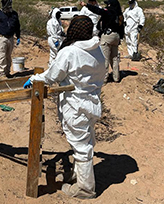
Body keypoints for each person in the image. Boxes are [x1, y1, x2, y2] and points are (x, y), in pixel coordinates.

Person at [24, 16, 106, 199]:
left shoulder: (70, 52)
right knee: (85, 141)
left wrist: (34, 79)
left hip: (75, 105)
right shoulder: (97, 50)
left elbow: (52, 75)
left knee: (80, 145)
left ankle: (85, 189)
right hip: (92, 102)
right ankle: (79, 176)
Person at [81, 0, 124, 83]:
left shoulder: (109, 11)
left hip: (107, 36)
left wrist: (87, 5)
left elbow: (98, 11)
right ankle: (116, 77)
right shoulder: (119, 14)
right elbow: (122, 27)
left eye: (108, 4)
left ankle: (104, 78)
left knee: (105, 58)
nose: (107, 5)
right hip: (116, 37)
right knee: (114, 58)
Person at [0, 0, 21, 78]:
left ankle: (7, 72)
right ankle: (2, 73)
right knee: (2, 56)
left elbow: (17, 26)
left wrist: (18, 37)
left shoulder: (14, 14)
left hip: (11, 38)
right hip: (2, 38)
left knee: (8, 56)